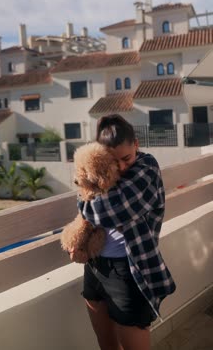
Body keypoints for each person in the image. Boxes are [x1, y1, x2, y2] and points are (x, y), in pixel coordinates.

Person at [70, 114, 176, 350]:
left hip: (128, 269)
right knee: (105, 344)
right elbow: (84, 187)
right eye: (113, 160)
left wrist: (84, 204)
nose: (121, 166)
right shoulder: (105, 171)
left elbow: (108, 211)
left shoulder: (146, 168)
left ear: (136, 144)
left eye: (126, 158)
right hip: (96, 265)